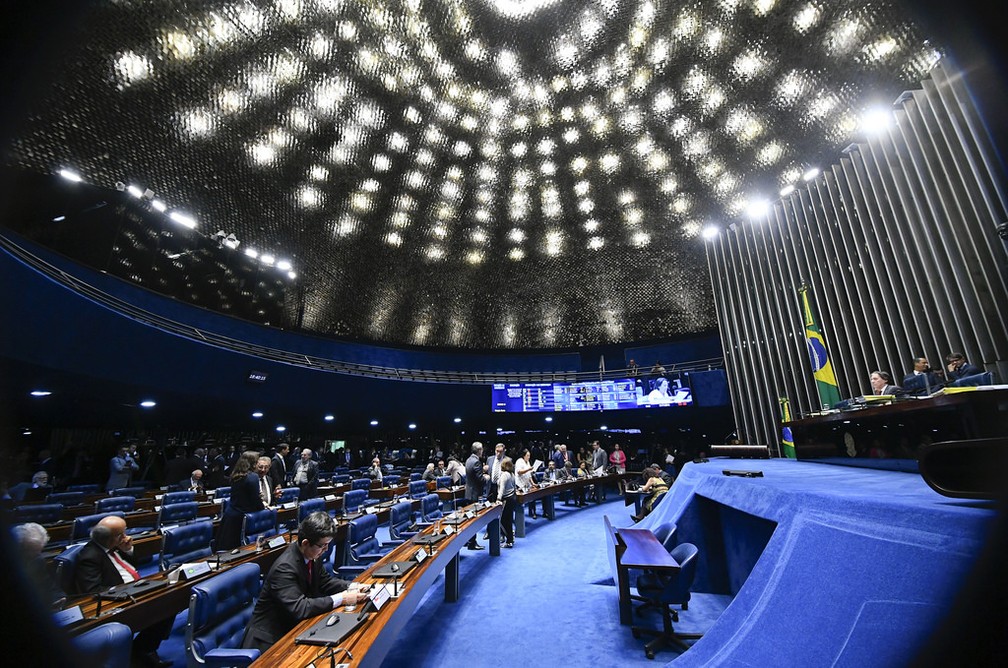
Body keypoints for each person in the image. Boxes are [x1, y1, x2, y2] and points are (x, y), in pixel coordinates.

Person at [241, 511, 366, 653]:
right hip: (268, 640)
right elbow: (300, 608)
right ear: (305, 543)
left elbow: (325, 582)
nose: (325, 550)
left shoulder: (312, 555)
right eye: (322, 545)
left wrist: (353, 586)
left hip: (293, 627)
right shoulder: (284, 567)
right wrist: (342, 598)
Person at [75, 515, 172, 666]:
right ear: (112, 538)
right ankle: (140, 653)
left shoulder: (113, 547)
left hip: (136, 588)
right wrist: (125, 591)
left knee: (168, 603)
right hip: (119, 599)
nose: (126, 537)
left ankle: (144, 650)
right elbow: (92, 590)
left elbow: (131, 567)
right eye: (123, 534)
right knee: (163, 606)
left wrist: (128, 551)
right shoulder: (90, 556)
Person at [217, 451, 267, 551]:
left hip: (230, 514)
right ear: (253, 463)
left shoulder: (237, 474)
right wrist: (263, 506)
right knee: (237, 549)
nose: (258, 464)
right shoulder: (252, 476)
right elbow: (254, 500)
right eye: (257, 462)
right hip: (241, 518)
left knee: (226, 549)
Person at [13, 522, 63, 605]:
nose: (36, 554)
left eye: (38, 550)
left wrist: (58, 598)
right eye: (31, 550)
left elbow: (50, 586)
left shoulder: (38, 560)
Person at [464, 442, 487, 550]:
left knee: (469, 519)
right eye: (482, 449)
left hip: (468, 493)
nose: (482, 451)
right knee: (473, 520)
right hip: (475, 494)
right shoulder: (477, 461)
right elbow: (480, 479)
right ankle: (472, 543)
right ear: (479, 450)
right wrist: (486, 478)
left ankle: (470, 541)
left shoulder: (468, 460)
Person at [497, 457, 517, 548]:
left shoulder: (505, 474)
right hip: (512, 498)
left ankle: (509, 539)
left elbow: (502, 488)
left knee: (503, 521)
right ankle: (510, 536)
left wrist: (498, 499)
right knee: (509, 520)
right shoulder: (512, 474)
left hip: (506, 500)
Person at [515, 448, 538, 519]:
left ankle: (533, 512)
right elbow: (519, 472)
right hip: (519, 483)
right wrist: (529, 469)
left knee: (532, 497)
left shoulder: (528, 462)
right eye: (527, 455)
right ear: (524, 456)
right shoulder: (519, 461)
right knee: (520, 500)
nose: (529, 457)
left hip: (527, 483)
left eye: (529, 455)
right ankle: (519, 517)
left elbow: (529, 474)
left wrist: (533, 483)